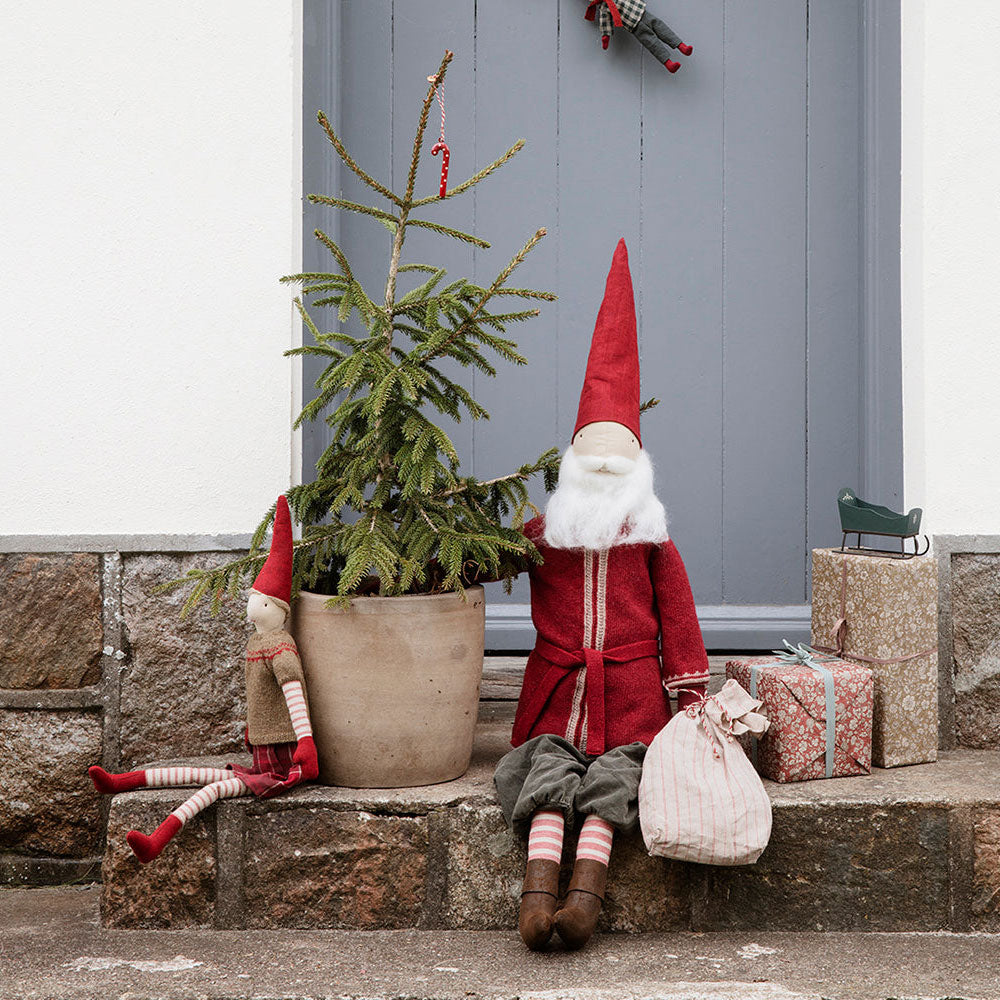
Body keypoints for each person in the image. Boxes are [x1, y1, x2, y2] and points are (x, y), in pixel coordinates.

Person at [494, 239, 710, 950]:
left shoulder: (651, 540)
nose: (604, 475)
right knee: (548, 772)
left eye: (616, 464)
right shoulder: (545, 533)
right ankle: (536, 898)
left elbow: (678, 616)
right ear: (573, 465)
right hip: (558, 694)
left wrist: (689, 692)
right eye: (594, 463)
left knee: (617, 779)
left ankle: (583, 899)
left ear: (637, 470)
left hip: (632, 698)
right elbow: (485, 561)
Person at [89, 495, 319, 863]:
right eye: (253, 599)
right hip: (263, 756)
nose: (252, 608)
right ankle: (122, 781)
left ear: (276, 608)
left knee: (211, 789)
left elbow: (292, 690)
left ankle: (157, 840)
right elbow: (264, 697)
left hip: (282, 763)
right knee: (195, 773)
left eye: (260, 601)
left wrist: (305, 743)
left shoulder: (279, 646)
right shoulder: (259, 642)